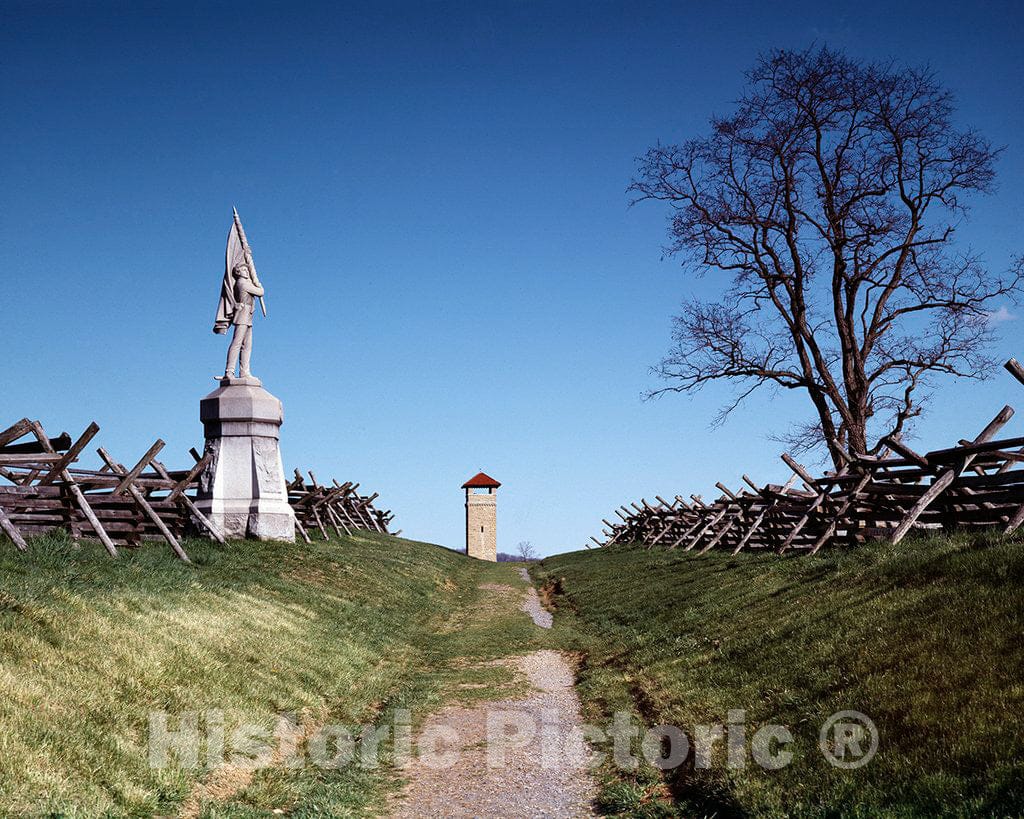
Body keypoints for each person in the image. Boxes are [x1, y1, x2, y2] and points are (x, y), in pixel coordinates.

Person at [214, 262, 264, 379]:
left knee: (247, 345)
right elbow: (260, 292)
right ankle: (229, 371)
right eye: (244, 270)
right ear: (238, 272)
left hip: (248, 314)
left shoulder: (246, 282)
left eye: (247, 270)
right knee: (237, 343)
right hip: (243, 314)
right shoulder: (242, 283)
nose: (247, 272)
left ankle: (244, 371)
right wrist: (259, 285)